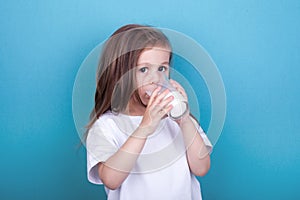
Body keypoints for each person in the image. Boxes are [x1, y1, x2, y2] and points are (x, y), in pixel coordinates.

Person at [85, 24, 212, 200]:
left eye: (162, 69)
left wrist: (184, 120)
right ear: (120, 76)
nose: (155, 79)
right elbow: (111, 180)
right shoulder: (106, 127)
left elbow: (202, 168)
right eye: (144, 69)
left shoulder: (180, 121)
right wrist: (144, 128)